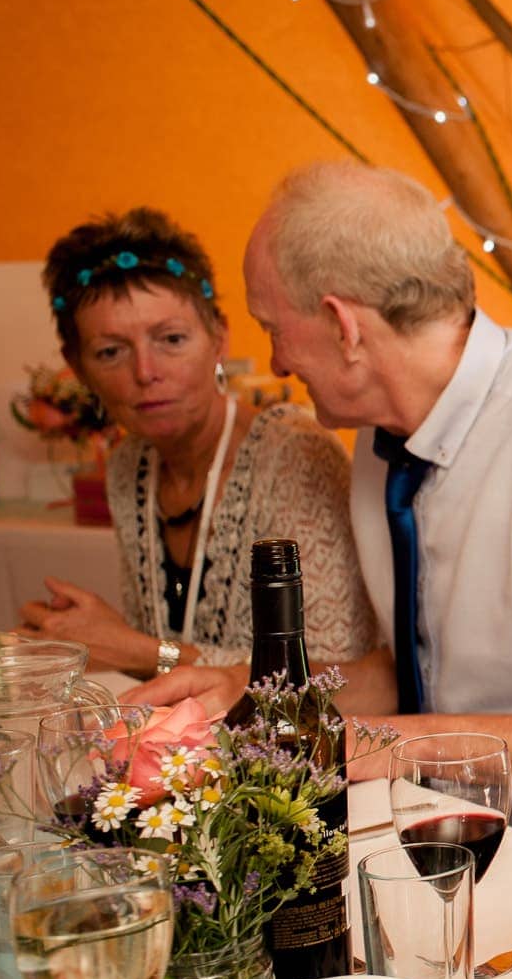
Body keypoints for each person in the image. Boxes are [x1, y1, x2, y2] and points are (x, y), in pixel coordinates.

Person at [130, 163, 512, 778]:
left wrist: (367, 748)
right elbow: (413, 674)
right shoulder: (382, 435)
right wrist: (249, 693)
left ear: (343, 326)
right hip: (436, 816)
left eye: (274, 329)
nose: (276, 362)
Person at [20, 208, 376, 675]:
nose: (146, 372)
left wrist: (135, 650)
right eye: (111, 351)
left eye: (171, 339)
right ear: (78, 364)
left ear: (218, 339)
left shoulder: (293, 455)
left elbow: (335, 676)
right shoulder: (130, 468)